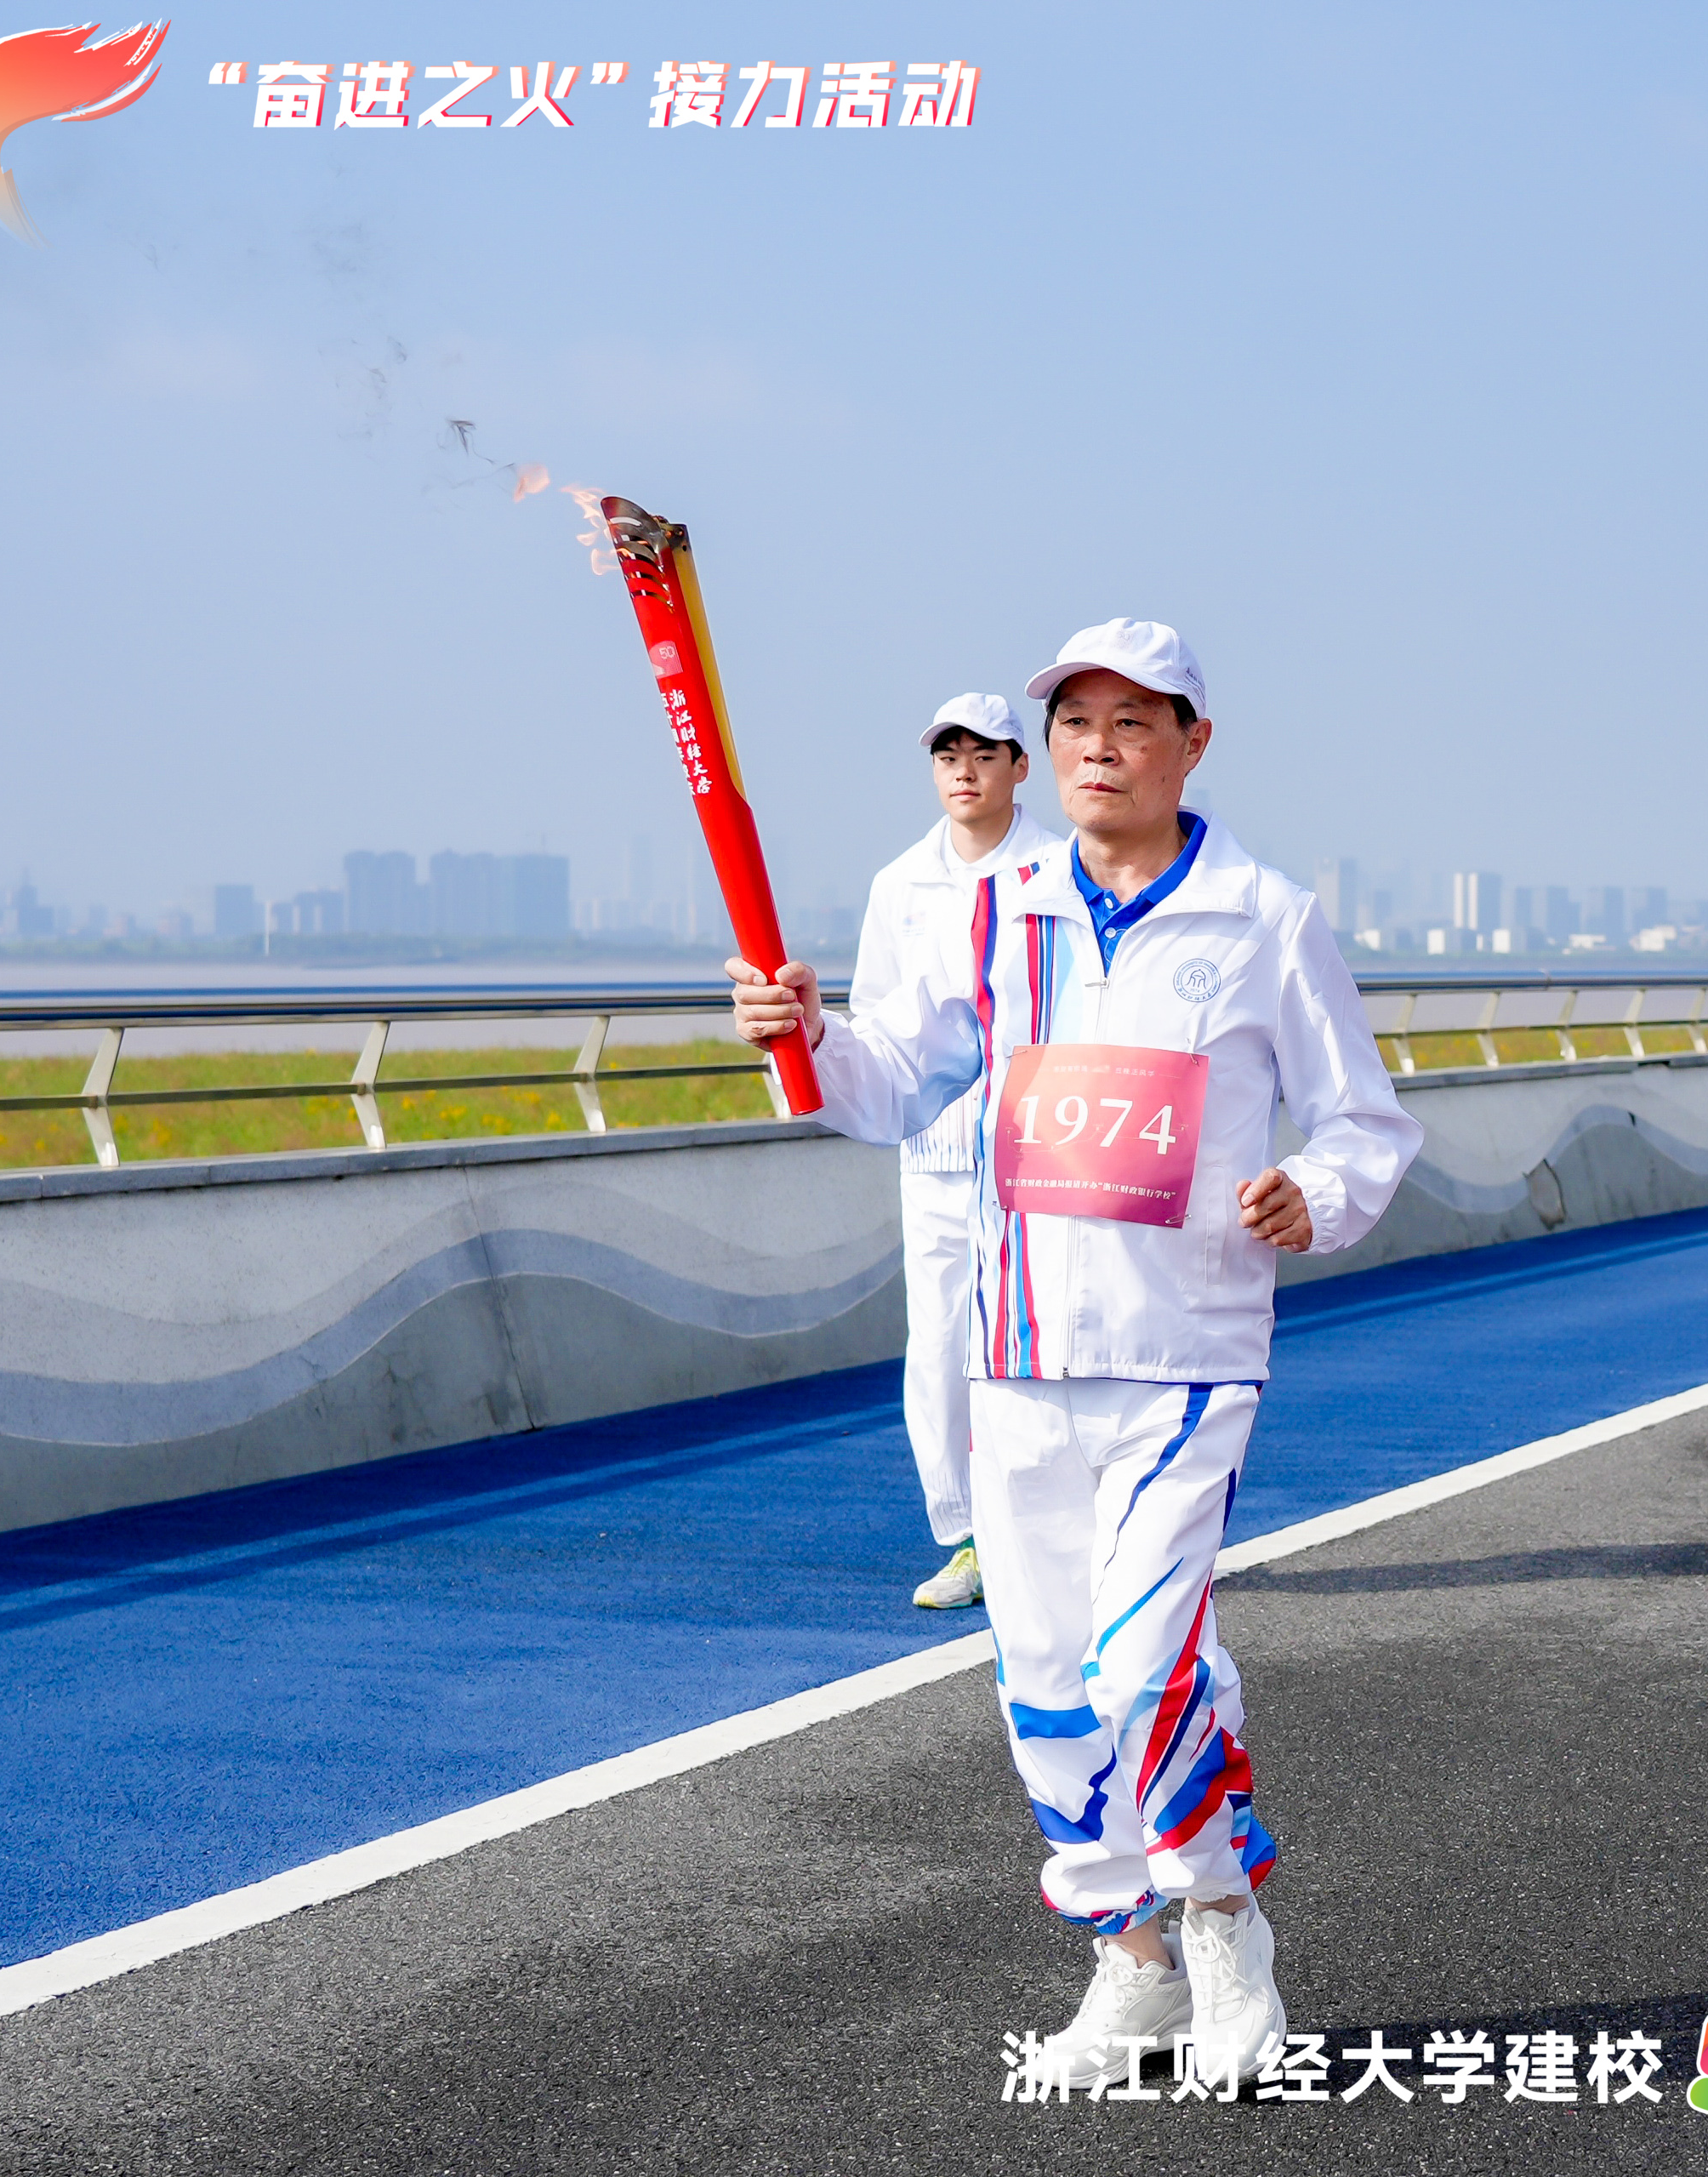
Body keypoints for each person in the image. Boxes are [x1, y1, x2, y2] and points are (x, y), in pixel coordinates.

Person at [728, 618, 1419, 2089]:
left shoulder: (1262, 917)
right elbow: (895, 1081)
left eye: (1131, 720)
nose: (1097, 747)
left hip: (1185, 1350)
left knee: (1142, 1667)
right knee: (1044, 1684)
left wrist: (1315, 1191)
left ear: (1192, 742)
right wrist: (805, 1034)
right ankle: (1131, 1958)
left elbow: (1364, 1120)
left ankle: (1222, 1916)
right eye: (1074, 723)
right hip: (1020, 1353)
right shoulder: (997, 910)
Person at [853, 693, 1064, 1610]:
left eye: (984, 754)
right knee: (939, 1347)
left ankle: (1053, 1528)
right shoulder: (898, 883)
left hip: (1039, 1152)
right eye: (949, 756)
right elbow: (874, 1017)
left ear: (1021, 766)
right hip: (937, 1154)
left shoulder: (1060, 869)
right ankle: (969, 1537)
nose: (965, 771)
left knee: (1042, 1340)